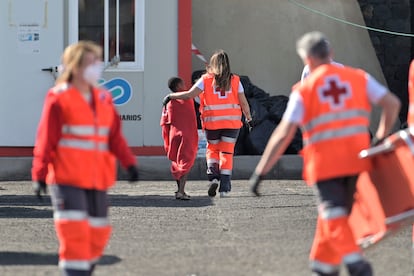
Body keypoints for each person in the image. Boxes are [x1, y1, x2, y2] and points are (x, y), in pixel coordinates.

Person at [249, 31, 400, 276]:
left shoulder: (305, 89)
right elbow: (392, 104)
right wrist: (380, 139)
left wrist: (260, 171)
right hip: (358, 160)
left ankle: (356, 263)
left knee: (333, 213)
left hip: (326, 164)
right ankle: (323, 265)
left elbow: (283, 133)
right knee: (336, 214)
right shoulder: (358, 78)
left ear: (307, 60)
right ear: (330, 54)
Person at [31, 41, 139, 276]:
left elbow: (114, 136)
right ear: (76, 66)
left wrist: (129, 162)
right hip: (66, 179)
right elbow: (45, 140)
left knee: (98, 232)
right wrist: (39, 174)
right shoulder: (59, 97)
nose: (97, 67)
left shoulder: (103, 98)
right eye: (92, 63)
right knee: (75, 233)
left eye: (97, 62)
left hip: (97, 178)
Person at [163, 49, 253, 197]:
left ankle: (213, 177)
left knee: (212, 150)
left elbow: (189, 95)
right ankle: (224, 188)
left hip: (212, 124)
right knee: (227, 153)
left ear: (212, 64)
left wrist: (170, 96)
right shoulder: (236, 80)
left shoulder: (205, 80)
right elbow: (244, 103)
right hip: (231, 124)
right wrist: (249, 118)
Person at [160, 77, 198, 200]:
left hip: (173, 135)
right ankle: (181, 191)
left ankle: (179, 190)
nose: (185, 84)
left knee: (177, 163)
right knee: (186, 163)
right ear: (177, 86)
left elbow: (164, 122)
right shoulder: (186, 99)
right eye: (182, 83)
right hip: (186, 135)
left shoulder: (169, 103)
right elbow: (189, 95)